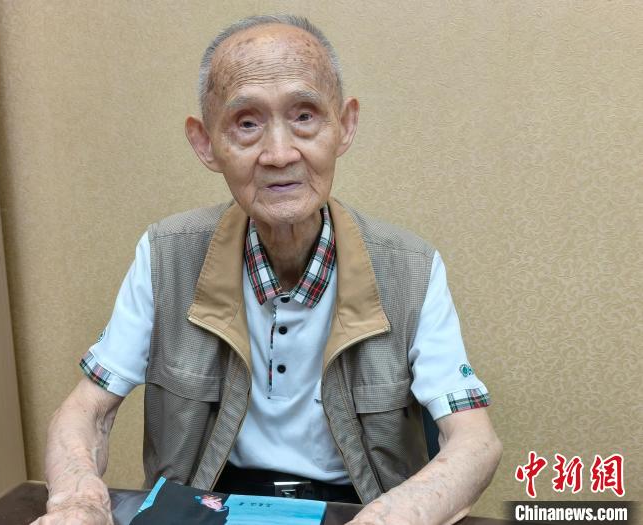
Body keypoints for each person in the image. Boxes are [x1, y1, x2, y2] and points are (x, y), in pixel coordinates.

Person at [33, 15, 502, 525]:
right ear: (205, 143)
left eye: (304, 116)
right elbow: (87, 412)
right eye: (247, 124)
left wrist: (391, 518)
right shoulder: (166, 254)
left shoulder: (410, 266)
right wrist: (78, 503)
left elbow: (475, 442)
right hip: (208, 504)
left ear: (344, 125)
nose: (279, 154)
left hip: (359, 506)